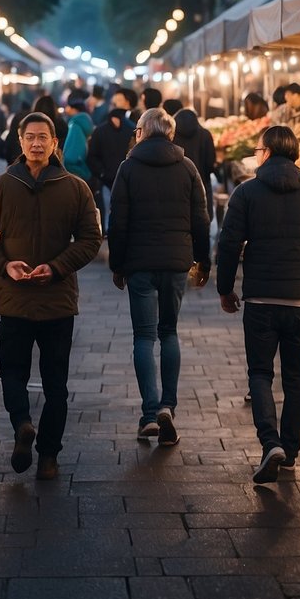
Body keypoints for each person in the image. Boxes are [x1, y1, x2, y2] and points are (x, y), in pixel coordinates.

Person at [0, 112, 102, 480]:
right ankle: (36, 441)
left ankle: (38, 443)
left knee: (47, 381)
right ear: (19, 141)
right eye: (30, 137)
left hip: (56, 300)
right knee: (28, 375)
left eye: (43, 137)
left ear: (55, 142)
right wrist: (5, 264)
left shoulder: (76, 188)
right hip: (15, 298)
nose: (37, 143)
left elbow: (91, 240)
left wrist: (56, 267)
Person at [218, 125, 300, 483]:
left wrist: (225, 288)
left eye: (258, 149)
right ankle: (291, 450)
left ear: (267, 152)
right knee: (295, 377)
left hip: (260, 300)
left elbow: (228, 243)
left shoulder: (247, 192)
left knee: (260, 373)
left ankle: (271, 443)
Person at [108, 108, 211, 446]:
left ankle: (150, 413)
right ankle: (168, 405)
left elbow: (118, 222)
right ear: (170, 134)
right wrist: (204, 260)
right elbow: (201, 219)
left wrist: (117, 265)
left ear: (142, 132)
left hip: (139, 263)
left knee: (144, 337)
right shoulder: (187, 167)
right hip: (176, 263)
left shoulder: (128, 168)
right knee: (169, 332)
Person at [86, 108, 137, 233]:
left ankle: (109, 232)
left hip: (106, 179)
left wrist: (101, 172)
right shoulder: (132, 130)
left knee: (109, 208)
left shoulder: (99, 131)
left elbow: (92, 156)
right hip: (122, 179)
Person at [172, 105, 217, 217]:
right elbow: (210, 161)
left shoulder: (172, 136)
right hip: (202, 181)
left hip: (177, 183)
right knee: (203, 215)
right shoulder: (205, 134)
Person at [62, 99, 94, 180]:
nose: (67, 110)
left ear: (75, 110)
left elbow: (71, 156)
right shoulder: (86, 123)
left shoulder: (75, 125)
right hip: (84, 166)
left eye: (70, 108)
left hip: (74, 170)